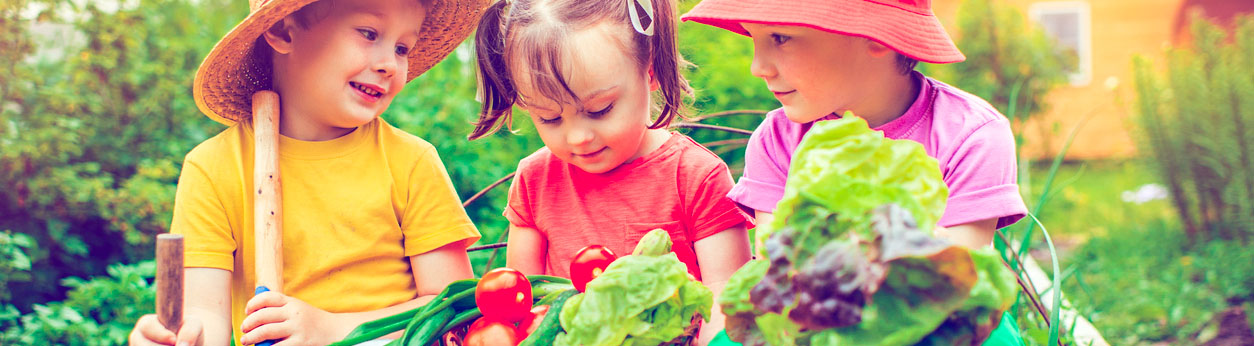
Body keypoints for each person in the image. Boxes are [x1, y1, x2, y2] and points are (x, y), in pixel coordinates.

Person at [128, 0, 485, 344]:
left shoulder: (412, 161)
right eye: (369, 33)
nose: (389, 63)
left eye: (403, 48)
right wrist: (185, 337)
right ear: (284, 30)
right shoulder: (213, 168)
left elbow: (452, 306)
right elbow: (207, 315)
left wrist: (332, 328)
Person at [470, 0, 754, 343]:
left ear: (649, 71)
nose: (578, 137)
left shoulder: (697, 177)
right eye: (549, 117)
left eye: (600, 109)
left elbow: (725, 298)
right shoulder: (535, 179)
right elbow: (523, 307)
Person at [682, 0, 1028, 250]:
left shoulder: (971, 135)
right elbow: (777, 259)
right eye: (753, 39)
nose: (758, 67)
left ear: (876, 38)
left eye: (780, 38)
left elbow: (962, 265)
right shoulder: (778, 139)